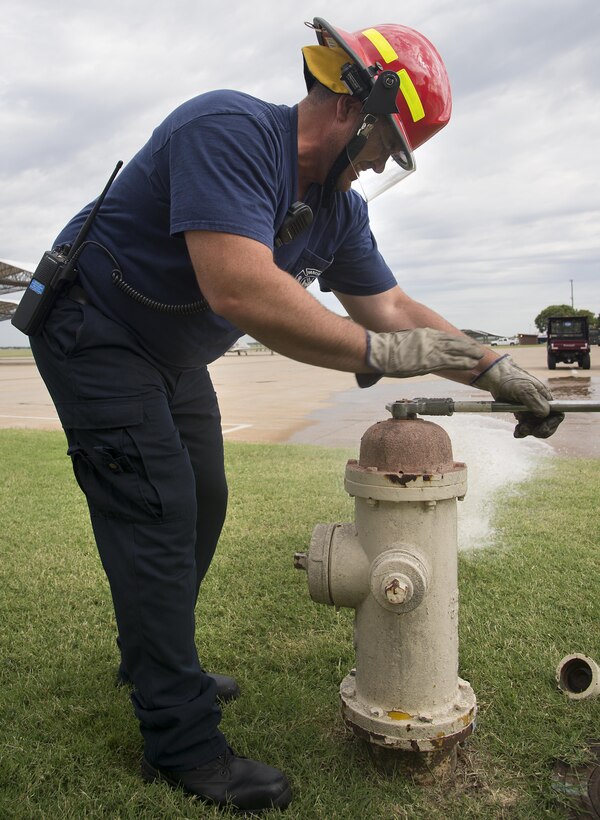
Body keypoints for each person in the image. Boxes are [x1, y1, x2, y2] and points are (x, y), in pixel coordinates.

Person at [25, 16, 563, 813]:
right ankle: (182, 744)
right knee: (157, 509)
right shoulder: (229, 130)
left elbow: (388, 304)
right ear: (358, 105)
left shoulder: (338, 210)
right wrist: (375, 357)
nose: (383, 162)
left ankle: (153, 657)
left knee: (203, 499)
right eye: (391, 143)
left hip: (168, 356)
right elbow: (240, 288)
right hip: (96, 331)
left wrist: (492, 369)